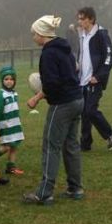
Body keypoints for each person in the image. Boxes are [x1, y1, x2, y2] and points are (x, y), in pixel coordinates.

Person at [24, 15, 84, 205]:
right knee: (71, 145)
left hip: (62, 104)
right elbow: (75, 67)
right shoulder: (65, 48)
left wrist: (36, 98)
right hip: (77, 99)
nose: (33, 37)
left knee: (51, 146)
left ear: (42, 34)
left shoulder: (49, 53)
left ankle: (44, 193)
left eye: (34, 34)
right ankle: (76, 188)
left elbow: (51, 84)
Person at [77, 6, 112, 151]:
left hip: (95, 80)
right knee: (84, 113)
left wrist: (98, 76)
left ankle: (111, 134)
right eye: (79, 18)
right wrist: (78, 66)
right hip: (82, 80)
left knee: (90, 110)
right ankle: (85, 143)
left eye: (82, 18)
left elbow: (109, 57)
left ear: (91, 19)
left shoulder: (101, 34)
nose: (79, 21)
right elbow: (82, 55)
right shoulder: (82, 35)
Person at [0, 66, 25, 175]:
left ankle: (11, 167)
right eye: (6, 79)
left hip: (14, 124)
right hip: (6, 125)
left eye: (11, 79)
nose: (9, 82)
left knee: (14, 145)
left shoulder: (14, 93)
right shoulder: (1, 94)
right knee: (6, 147)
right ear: (2, 80)